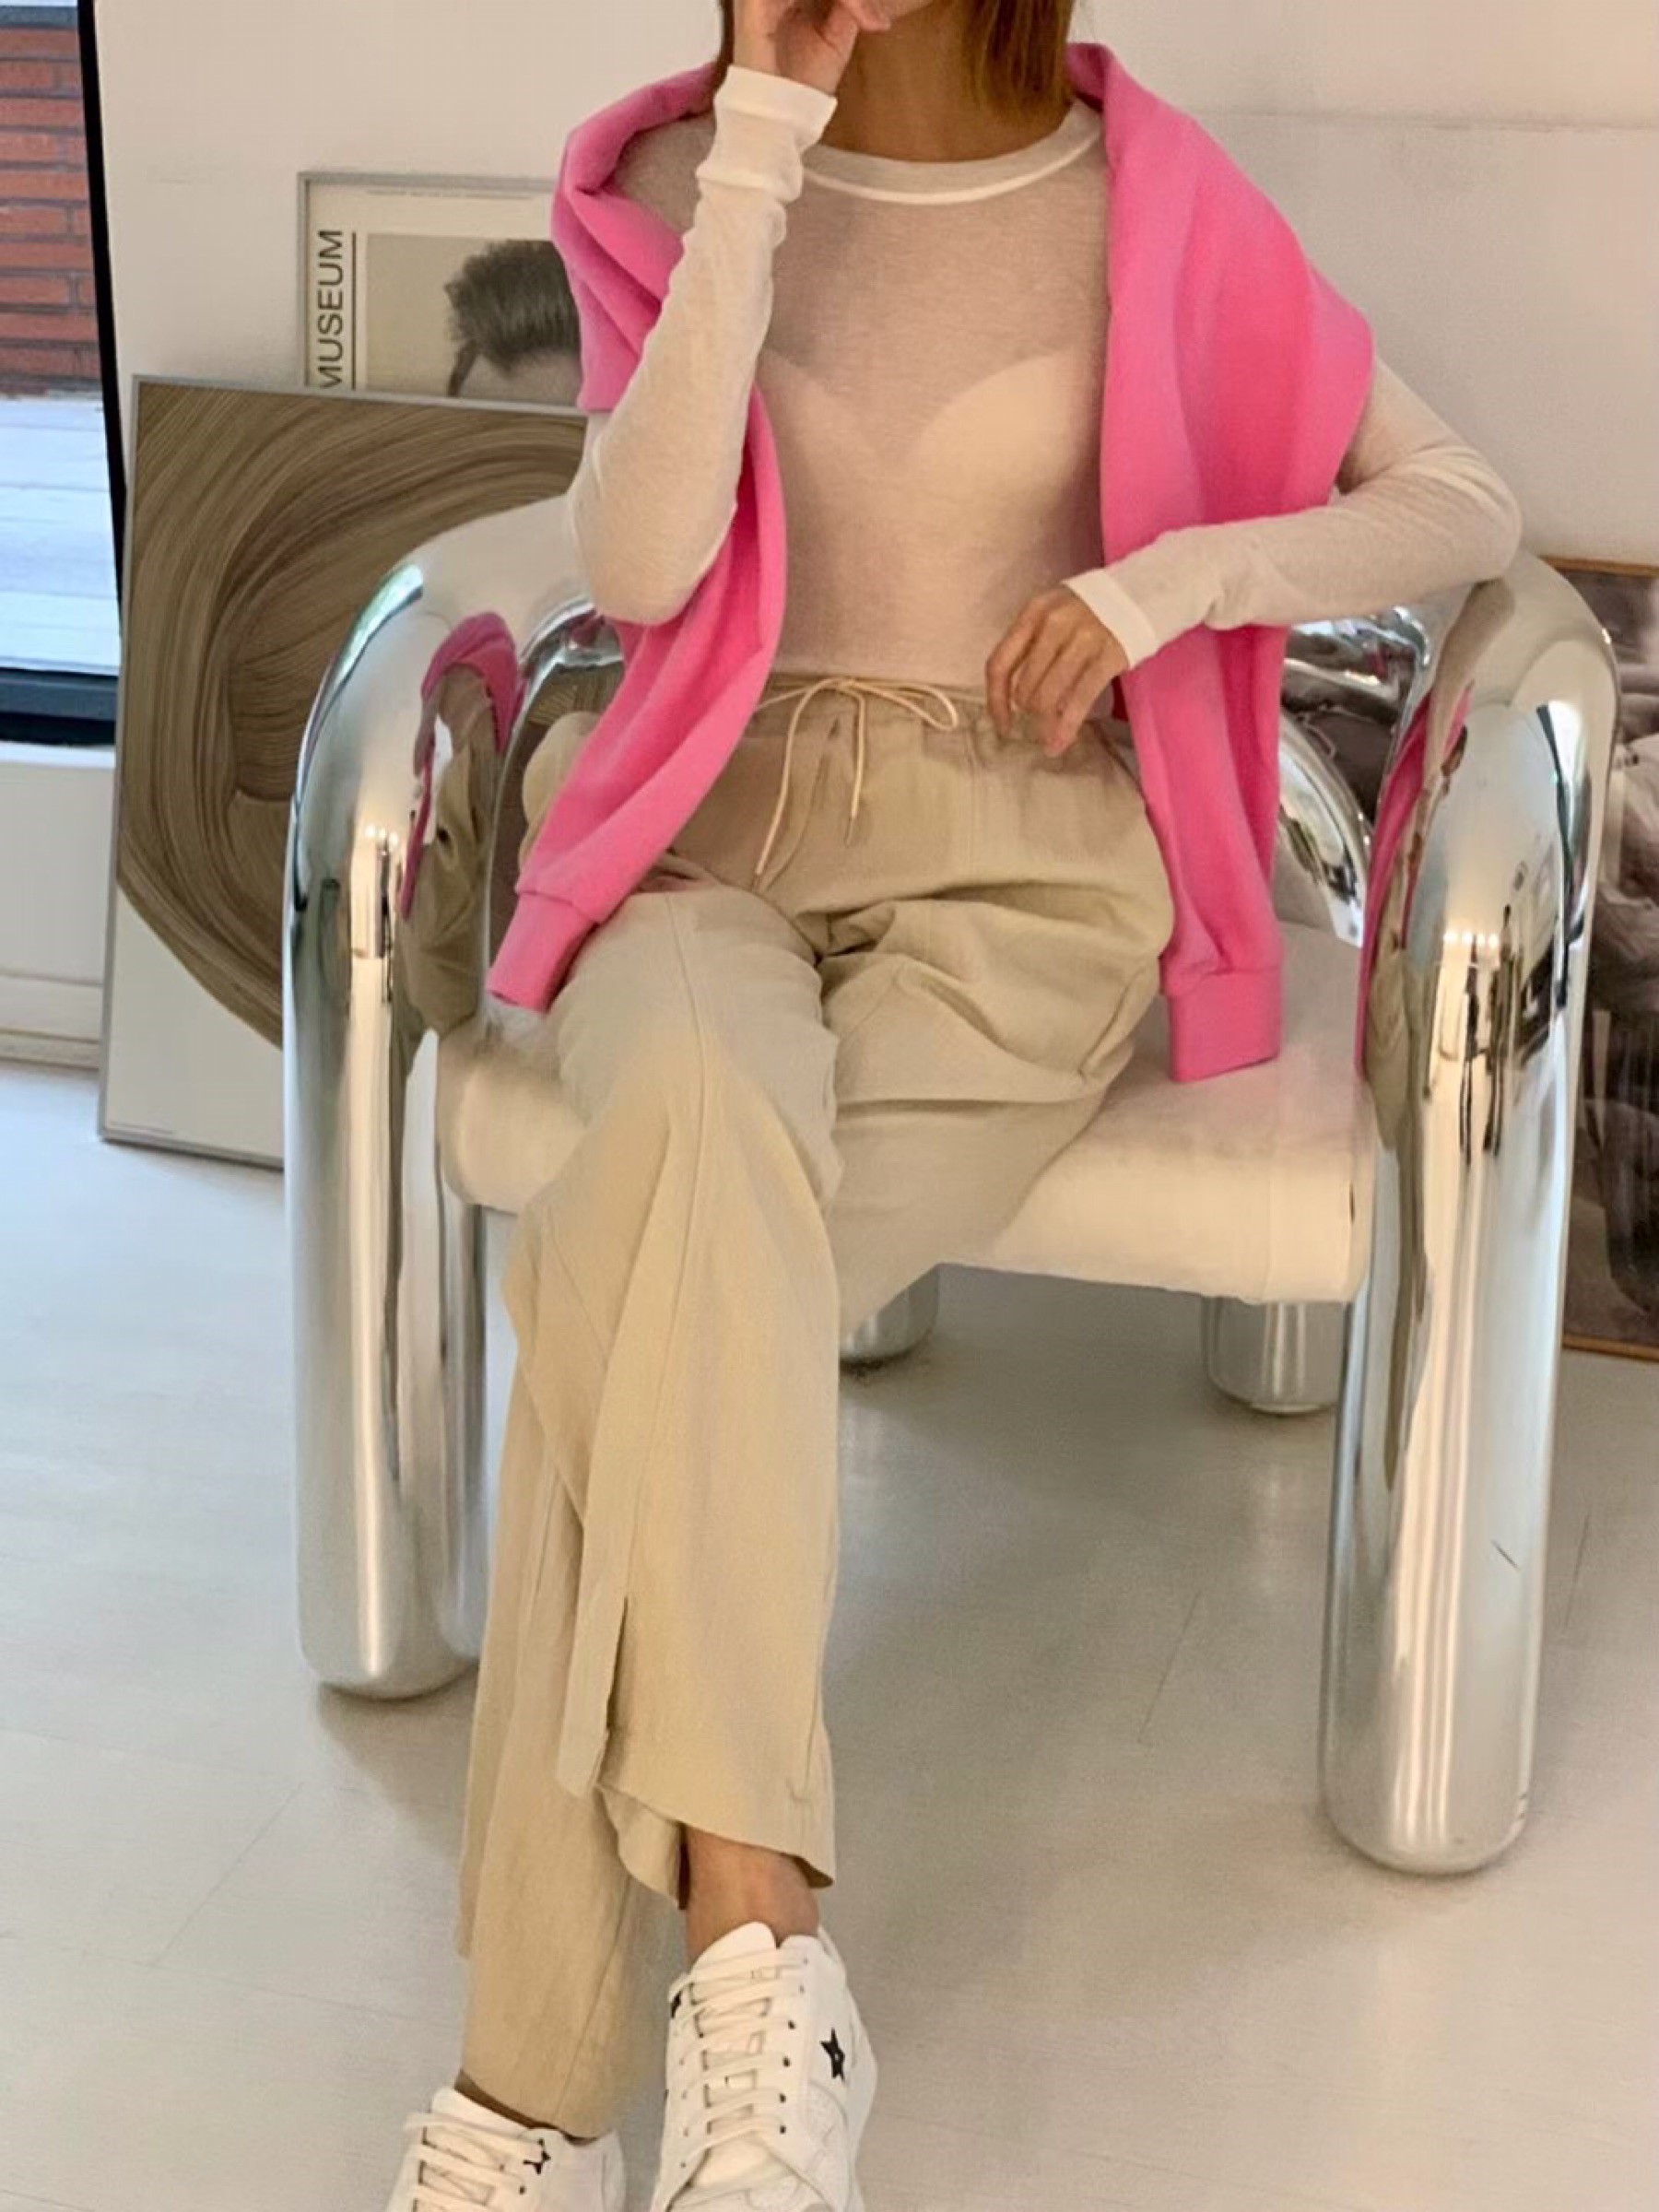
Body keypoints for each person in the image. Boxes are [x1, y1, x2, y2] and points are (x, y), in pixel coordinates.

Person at [383, 6, 1524, 2211]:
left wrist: (1165, 583)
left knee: (644, 1317)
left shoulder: (1150, 195)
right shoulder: (665, 183)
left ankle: (526, 2099)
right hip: (706, 841)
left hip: (1025, 873)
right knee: (683, 1218)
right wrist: (765, 140)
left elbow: (1455, 497)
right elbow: (638, 570)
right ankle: (760, 1948)